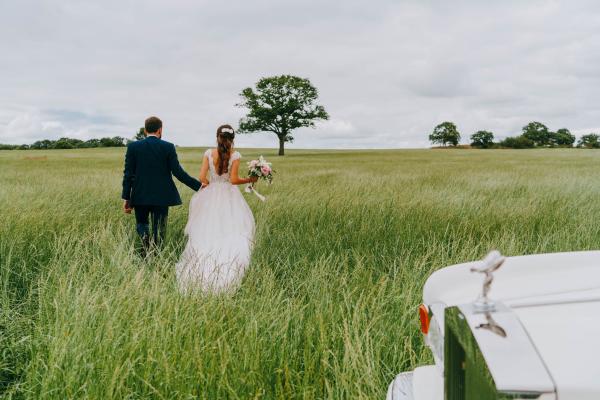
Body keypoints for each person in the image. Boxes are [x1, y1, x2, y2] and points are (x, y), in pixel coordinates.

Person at [176, 124, 257, 293]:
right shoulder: (235, 155)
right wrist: (249, 180)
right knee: (231, 227)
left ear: (217, 137)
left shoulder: (208, 153)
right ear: (232, 139)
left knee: (207, 227)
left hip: (212, 193)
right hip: (229, 195)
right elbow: (233, 180)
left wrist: (209, 185)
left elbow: (201, 177)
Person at [121, 116, 201, 256]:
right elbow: (178, 173)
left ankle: (145, 248)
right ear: (160, 130)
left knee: (142, 224)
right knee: (159, 228)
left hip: (140, 194)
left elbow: (128, 174)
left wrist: (126, 198)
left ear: (145, 130)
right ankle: (156, 255)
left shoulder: (133, 147)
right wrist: (199, 186)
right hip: (162, 196)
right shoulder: (168, 147)